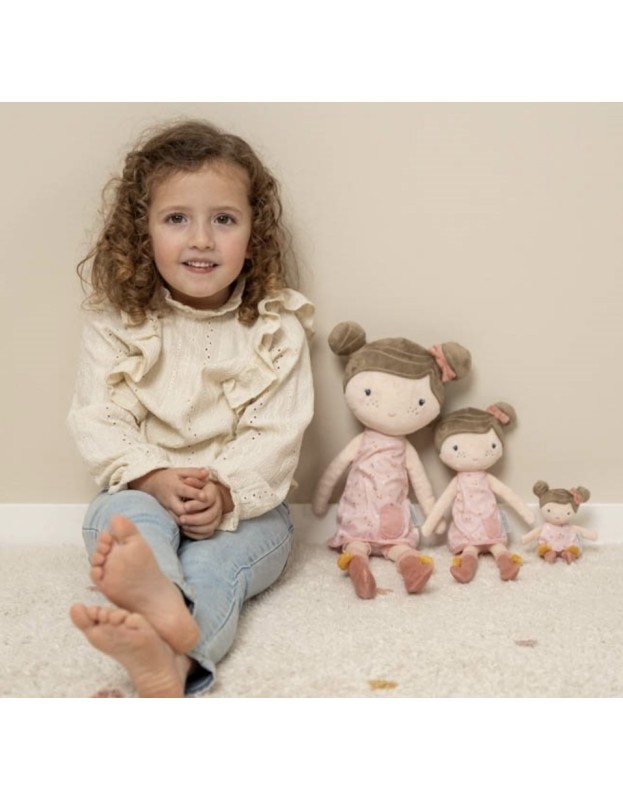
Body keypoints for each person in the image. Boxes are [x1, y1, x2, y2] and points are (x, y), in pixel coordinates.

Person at [67, 119, 314, 697]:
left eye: (223, 220)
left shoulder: (275, 327)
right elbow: (98, 416)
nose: (201, 239)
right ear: (142, 231)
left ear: (253, 234)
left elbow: (278, 432)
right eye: (177, 219)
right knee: (124, 522)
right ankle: (163, 615)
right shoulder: (117, 322)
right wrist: (152, 477)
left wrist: (223, 491)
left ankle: (174, 647)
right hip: (142, 489)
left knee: (216, 567)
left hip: (248, 510)